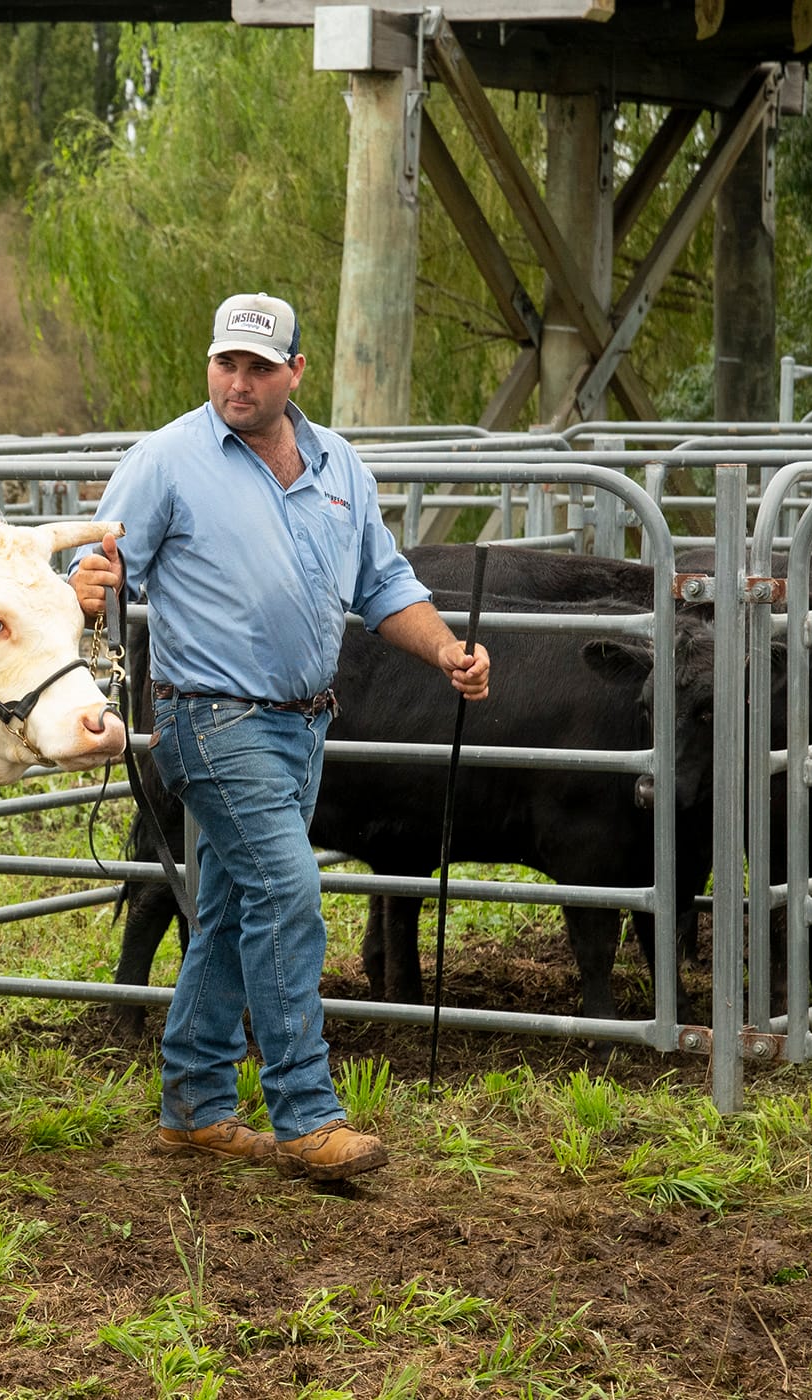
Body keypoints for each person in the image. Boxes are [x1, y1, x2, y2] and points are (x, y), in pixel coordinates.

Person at [70, 292, 491, 1182]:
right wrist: (88, 581)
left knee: (228, 914)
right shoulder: (167, 461)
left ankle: (193, 1104)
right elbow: (98, 565)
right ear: (210, 366)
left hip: (302, 724)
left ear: (296, 372)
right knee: (291, 895)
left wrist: (447, 650)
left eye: (260, 366)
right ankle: (306, 1114)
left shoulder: (340, 465)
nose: (240, 381)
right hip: (207, 716)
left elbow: (383, 586)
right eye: (227, 363)